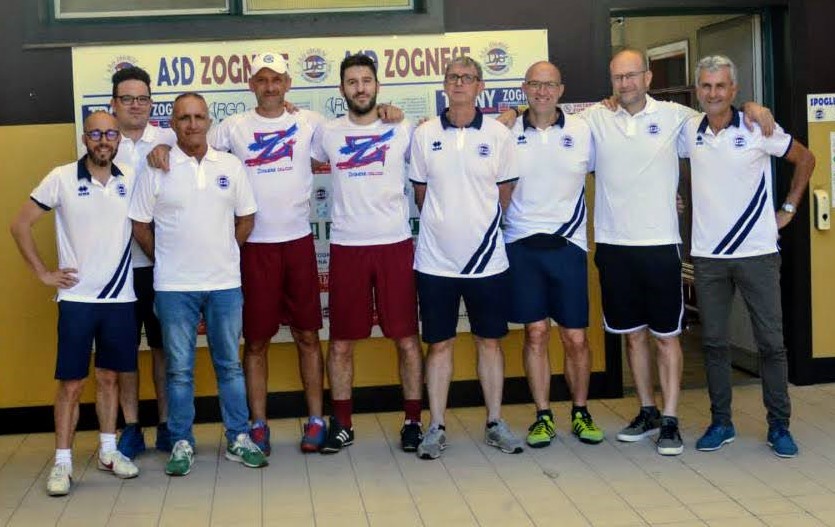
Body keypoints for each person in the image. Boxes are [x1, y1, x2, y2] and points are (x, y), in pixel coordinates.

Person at [147, 53, 404, 454]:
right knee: (256, 342)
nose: (270, 86)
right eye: (263, 80)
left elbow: (360, 124)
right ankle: (258, 424)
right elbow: (189, 137)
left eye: (277, 79)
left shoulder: (312, 123)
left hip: (299, 243)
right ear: (252, 85)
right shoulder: (233, 126)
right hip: (254, 248)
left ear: (288, 84)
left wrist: (389, 110)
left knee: (308, 335)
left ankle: (316, 419)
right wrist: (161, 147)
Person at [680, 55, 814, 458]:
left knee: (771, 344)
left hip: (757, 253)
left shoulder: (757, 126)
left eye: (721, 86)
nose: (713, 93)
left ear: (734, 90)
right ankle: (721, 423)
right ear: (698, 90)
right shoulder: (688, 130)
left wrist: (788, 208)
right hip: (709, 256)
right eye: (706, 86)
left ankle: (779, 427)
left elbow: (806, 159)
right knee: (714, 344)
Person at [129, 92, 267, 476]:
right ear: (172, 124)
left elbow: (247, 218)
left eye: (198, 117)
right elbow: (139, 224)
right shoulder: (157, 167)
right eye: (184, 118)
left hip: (224, 284)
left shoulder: (231, 166)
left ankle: (238, 438)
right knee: (178, 370)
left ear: (209, 121)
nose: (192, 124)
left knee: (230, 367)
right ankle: (182, 442)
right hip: (174, 287)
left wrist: (225, 251)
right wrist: (165, 258)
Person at [10, 111, 140, 496]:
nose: (103, 141)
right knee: (72, 383)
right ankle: (62, 463)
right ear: (85, 139)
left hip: (120, 298)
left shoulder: (132, 177)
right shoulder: (62, 177)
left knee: (110, 377)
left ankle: (108, 451)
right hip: (77, 300)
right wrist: (43, 273)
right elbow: (19, 224)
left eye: (110, 134)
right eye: (96, 134)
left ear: (119, 140)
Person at [409, 56, 523, 460]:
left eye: (467, 78)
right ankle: (436, 425)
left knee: (489, 342)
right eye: (453, 77)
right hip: (435, 262)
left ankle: (495, 422)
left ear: (480, 86)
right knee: (439, 345)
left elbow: (504, 193)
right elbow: (421, 194)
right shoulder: (424, 134)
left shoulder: (499, 135)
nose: (459, 83)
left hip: (487, 261)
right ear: (444, 85)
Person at [310, 54, 424, 454]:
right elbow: (293, 151)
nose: (360, 88)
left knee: (406, 339)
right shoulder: (327, 133)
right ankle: (342, 424)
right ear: (341, 89)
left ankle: (413, 420)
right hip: (347, 247)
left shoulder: (403, 128)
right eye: (352, 81)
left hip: (394, 245)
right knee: (341, 342)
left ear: (378, 85)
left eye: (366, 80)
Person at [503, 61, 604, 448]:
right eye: (535, 84)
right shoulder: (505, 131)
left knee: (575, 337)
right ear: (524, 88)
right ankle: (542, 416)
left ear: (561, 90)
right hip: (521, 244)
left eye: (549, 85)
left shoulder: (584, 130)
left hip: (568, 245)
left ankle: (580, 411)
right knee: (536, 333)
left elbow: (621, 171)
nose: (542, 91)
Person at [110, 66, 176, 459]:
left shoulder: (170, 138)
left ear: (151, 103)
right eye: (127, 98)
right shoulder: (102, 143)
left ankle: (167, 425)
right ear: (113, 103)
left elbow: (215, 143)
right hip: (116, 269)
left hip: (161, 265)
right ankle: (131, 427)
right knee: (124, 351)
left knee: (164, 348)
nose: (135, 105)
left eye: (142, 98)